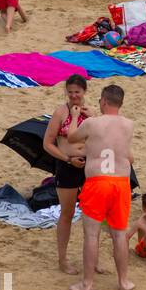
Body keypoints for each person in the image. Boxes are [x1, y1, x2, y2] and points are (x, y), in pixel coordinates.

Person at [67, 84, 137, 290]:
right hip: (121, 183)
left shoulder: (91, 123)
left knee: (91, 234)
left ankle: (87, 284)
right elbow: (114, 140)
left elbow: (72, 137)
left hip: (98, 182)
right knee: (119, 235)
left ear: (104, 101)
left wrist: (73, 116)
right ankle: (123, 282)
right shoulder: (128, 125)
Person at [43, 76, 93, 277]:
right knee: (67, 213)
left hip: (89, 165)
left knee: (93, 213)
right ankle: (62, 259)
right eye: (70, 91)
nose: (73, 95)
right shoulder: (60, 112)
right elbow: (48, 143)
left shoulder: (90, 113)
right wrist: (66, 159)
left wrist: (93, 118)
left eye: (77, 92)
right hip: (67, 165)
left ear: (84, 92)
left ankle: (91, 259)